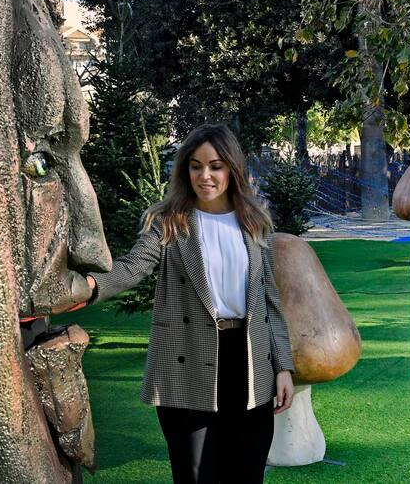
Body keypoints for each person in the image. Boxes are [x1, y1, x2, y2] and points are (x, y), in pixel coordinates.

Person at [74, 123, 295, 484]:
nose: (204, 176)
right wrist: (90, 285)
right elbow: (132, 267)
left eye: (215, 166)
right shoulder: (169, 222)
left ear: (232, 170)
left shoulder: (255, 224)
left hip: (250, 362)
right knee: (194, 476)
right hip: (188, 359)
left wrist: (283, 367)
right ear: (185, 169)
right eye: (195, 166)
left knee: (246, 472)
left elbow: (270, 305)